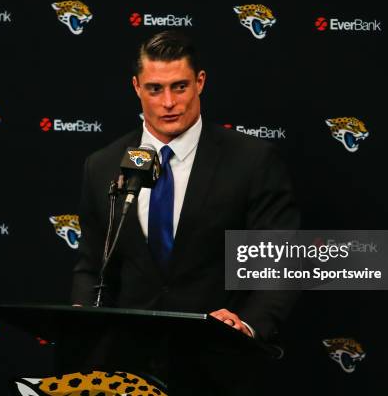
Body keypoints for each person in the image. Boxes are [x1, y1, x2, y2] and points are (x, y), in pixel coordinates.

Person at [70, 30, 299, 389]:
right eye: (155, 89)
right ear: (136, 87)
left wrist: (247, 325)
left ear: (200, 83)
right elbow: (90, 266)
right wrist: (81, 321)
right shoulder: (102, 166)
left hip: (220, 366)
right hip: (128, 371)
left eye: (179, 87)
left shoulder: (252, 162)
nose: (168, 103)